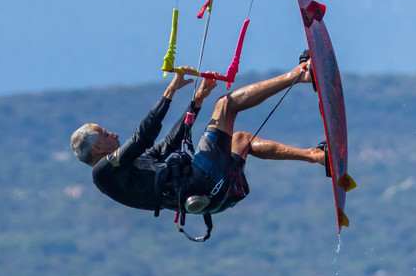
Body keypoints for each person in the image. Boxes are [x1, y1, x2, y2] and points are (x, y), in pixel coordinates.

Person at [70, 63, 328, 226]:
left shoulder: (132, 166)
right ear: (96, 149)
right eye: (104, 134)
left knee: (242, 140)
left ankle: (316, 156)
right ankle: (301, 74)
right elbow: (142, 138)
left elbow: (167, 145)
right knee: (226, 105)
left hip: (215, 197)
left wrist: (197, 100)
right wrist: (169, 92)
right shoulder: (103, 172)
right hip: (200, 181)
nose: (112, 133)